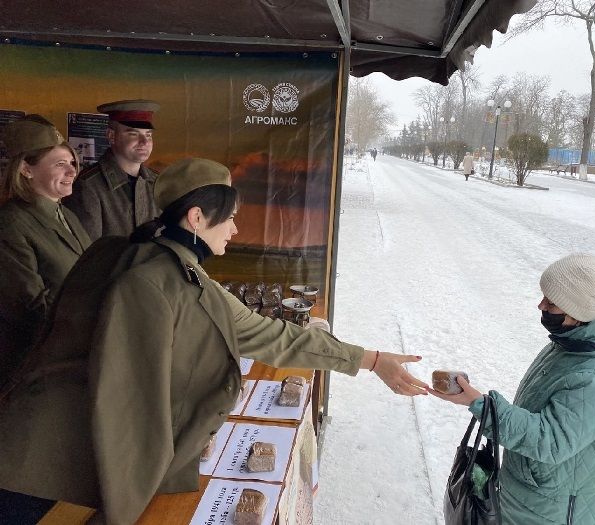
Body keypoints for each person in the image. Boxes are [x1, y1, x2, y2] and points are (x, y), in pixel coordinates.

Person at [0, 158, 429, 524]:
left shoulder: (172, 267)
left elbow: (269, 335)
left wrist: (371, 360)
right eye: (231, 217)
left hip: (61, 455)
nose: (238, 229)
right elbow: (128, 400)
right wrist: (130, 501)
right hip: (39, 464)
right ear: (197, 218)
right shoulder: (148, 283)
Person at [432, 254, 595, 525]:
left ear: (578, 309)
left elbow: (551, 440)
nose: (541, 305)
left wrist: (483, 406)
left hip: (566, 512)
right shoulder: (575, 341)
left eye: (552, 302)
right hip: (544, 498)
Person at [0, 115, 91, 391]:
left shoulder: (67, 216)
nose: (72, 171)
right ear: (26, 169)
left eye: (72, 163)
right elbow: (28, 307)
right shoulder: (11, 222)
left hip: (67, 361)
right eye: (60, 164)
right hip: (30, 370)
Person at [63, 99, 160, 240]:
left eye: (148, 135)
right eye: (133, 134)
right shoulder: (88, 186)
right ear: (111, 135)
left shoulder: (158, 183)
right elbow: (87, 254)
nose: (144, 142)